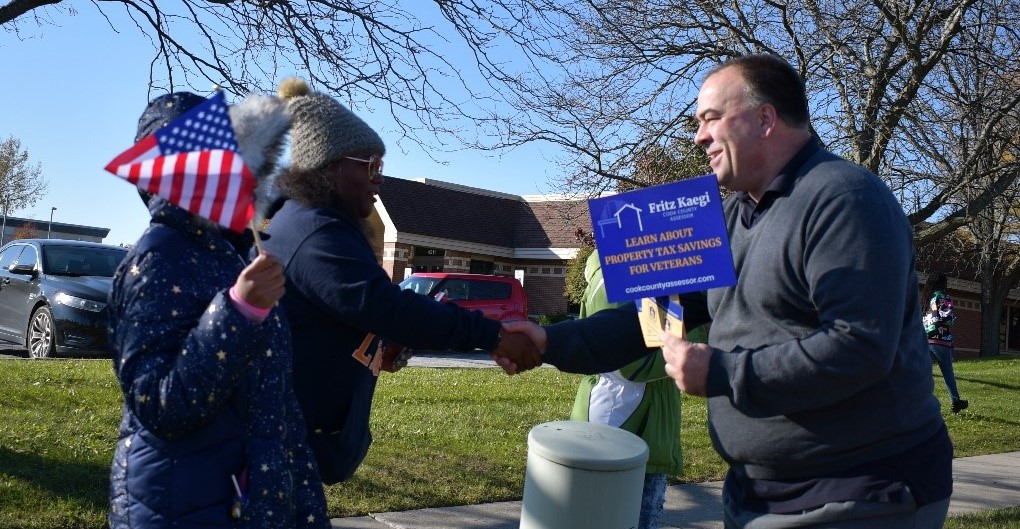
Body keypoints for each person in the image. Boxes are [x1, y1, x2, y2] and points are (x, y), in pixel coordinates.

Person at [503, 54, 953, 529]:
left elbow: (859, 347)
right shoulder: (735, 217)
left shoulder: (845, 200)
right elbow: (656, 320)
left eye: (711, 119)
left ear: (765, 118)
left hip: (860, 492)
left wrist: (722, 371)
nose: (699, 136)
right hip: (757, 491)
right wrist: (554, 342)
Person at [260, 78, 541, 484]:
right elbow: (386, 305)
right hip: (286, 452)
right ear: (330, 166)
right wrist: (493, 334)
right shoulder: (316, 234)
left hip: (294, 442)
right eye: (371, 165)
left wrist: (379, 343)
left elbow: (342, 313)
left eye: (382, 167)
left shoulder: (312, 221)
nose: (380, 180)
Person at [108, 91, 329, 529]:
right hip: (179, 505)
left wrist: (307, 508)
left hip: (250, 505)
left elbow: (279, 411)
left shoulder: (238, 256)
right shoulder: (158, 258)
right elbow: (161, 406)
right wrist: (238, 310)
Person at [569, 249, 698, 529]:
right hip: (621, 428)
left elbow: (659, 341)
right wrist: (701, 335)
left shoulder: (646, 271)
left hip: (639, 428)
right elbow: (633, 362)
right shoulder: (617, 273)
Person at [924, 273, 969, 413]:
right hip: (941, 340)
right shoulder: (943, 296)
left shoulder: (928, 298)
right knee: (948, 374)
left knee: (923, 372)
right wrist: (952, 319)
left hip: (926, 339)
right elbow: (946, 318)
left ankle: (914, 399)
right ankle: (956, 401)